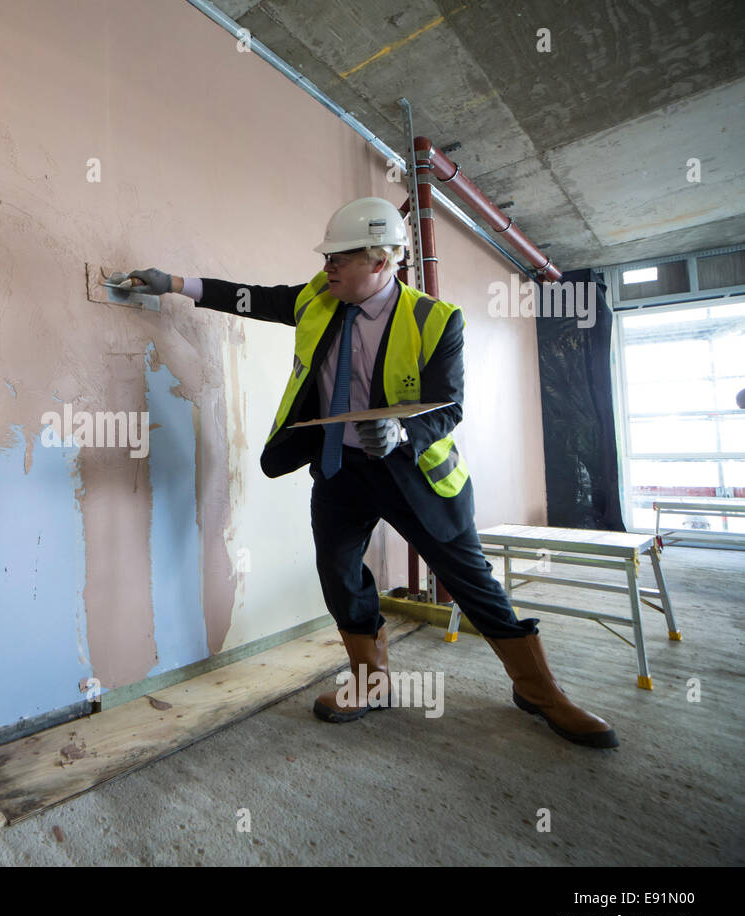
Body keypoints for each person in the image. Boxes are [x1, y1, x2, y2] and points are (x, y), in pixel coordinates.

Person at [116, 196, 618, 748]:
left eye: (339, 258)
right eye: (328, 257)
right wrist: (174, 283)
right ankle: (370, 681)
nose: (327, 267)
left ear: (380, 263)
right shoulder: (318, 298)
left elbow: (448, 405)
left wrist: (403, 432)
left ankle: (542, 692)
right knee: (338, 572)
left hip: (415, 473)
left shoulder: (436, 320)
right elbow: (254, 299)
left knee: (470, 580)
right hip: (341, 467)